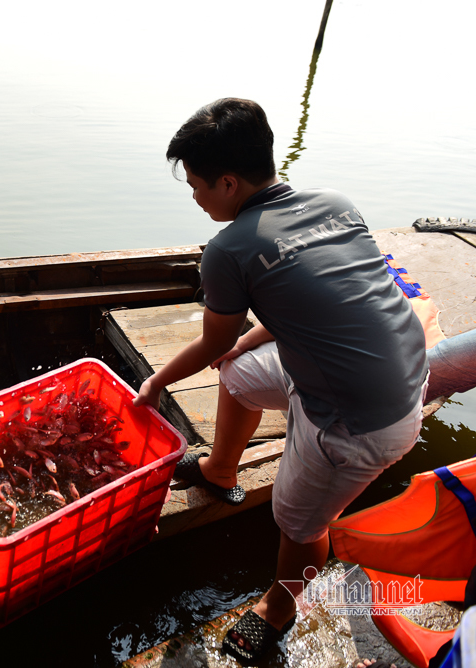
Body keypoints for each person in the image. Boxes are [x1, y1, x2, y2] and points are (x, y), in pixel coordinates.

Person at [133, 98, 429, 663]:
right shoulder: (334, 203)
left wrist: (155, 383)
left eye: (196, 186)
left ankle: (279, 607)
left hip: (359, 421)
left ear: (226, 182)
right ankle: (220, 469)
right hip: (400, 372)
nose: (195, 198)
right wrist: (251, 339)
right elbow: (313, 294)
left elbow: (211, 340)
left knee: (298, 523)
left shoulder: (228, 250)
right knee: (239, 373)